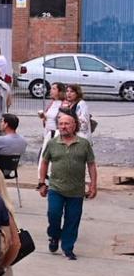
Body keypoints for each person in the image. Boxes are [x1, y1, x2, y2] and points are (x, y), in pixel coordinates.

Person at [38, 111, 97, 261]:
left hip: (76, 191)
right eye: (61, 124)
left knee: (72, 220)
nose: (63, 126)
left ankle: (68, 248)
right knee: (54, 214)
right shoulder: (52, 143)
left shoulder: (84, 144)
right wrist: (41, 183)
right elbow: (44, 162)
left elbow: (91, 165)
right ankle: (54, 235)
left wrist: (93, 185)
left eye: (67, 124)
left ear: (74, 125)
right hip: (56, 188)